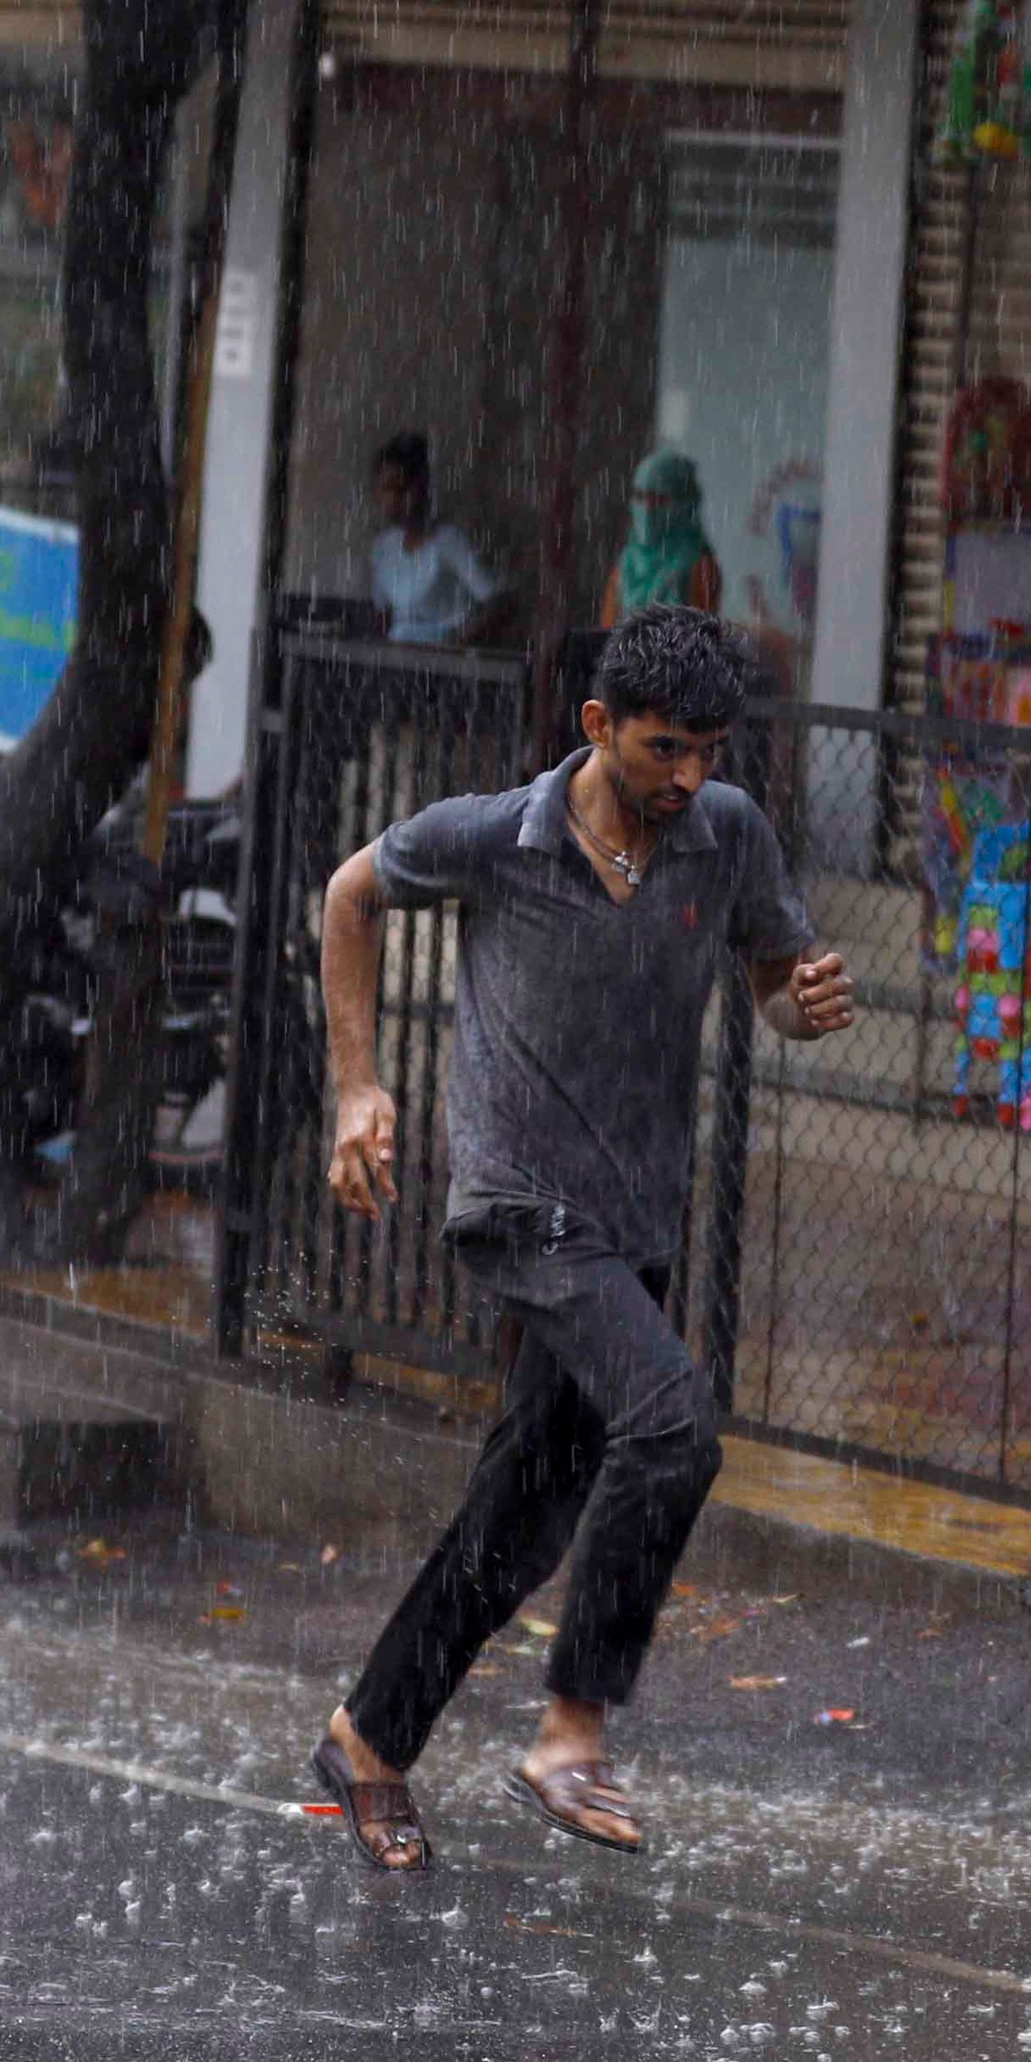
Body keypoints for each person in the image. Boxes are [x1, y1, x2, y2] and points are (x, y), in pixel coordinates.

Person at [302, 605, 854, 1867]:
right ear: (597, 727)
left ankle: (369, 1739)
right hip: (517, 1203)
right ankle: (571, 1732)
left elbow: (776, 978)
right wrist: (356, 1086)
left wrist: (800, 1003)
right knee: (672, 1425)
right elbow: (350, 894)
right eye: (664, 750)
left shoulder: (722, 836)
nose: (689, 778)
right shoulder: (497, 837)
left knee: (523, 1522)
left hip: (629, 1217)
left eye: (709, 750)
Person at [362, 434, 504, 647]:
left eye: (402, 489)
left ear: (422, 487)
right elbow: (382, 614)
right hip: (398, 660)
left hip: (442, 663)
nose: (394, 499)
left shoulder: (448, 542)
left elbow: (501, 604)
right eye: (386, 489)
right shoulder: (384, 547)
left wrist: (458, 643)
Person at [606, 448, 723, 625]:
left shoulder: (699, 568)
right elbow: (606, 635)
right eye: (640, 497)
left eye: (658, 500)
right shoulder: (625, 567)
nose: (646, 509)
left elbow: (700, 637)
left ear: (684, 505)